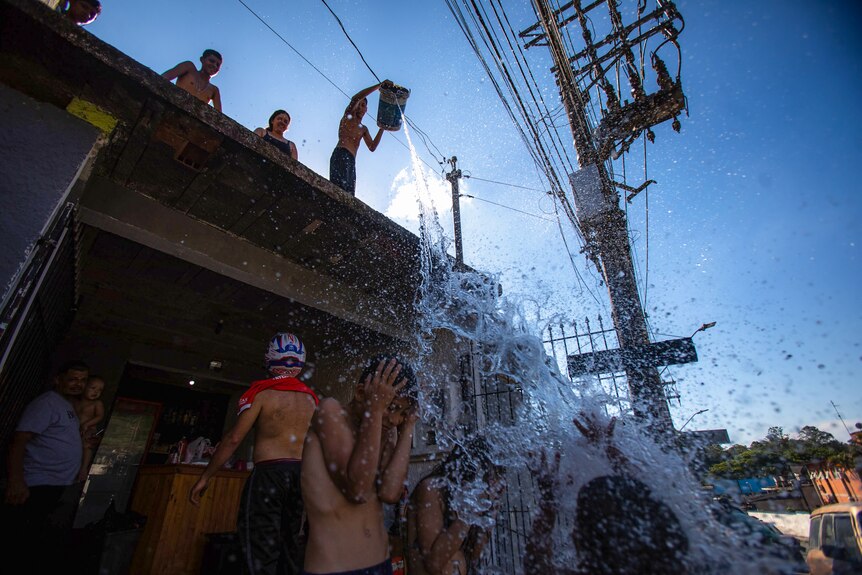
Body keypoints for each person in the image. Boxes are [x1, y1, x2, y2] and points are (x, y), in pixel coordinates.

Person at [190, 332, 318, 575]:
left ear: (270, 359)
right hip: (301, 475)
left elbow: (234, 438)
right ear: (301, 362)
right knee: (290, 546)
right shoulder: (311, 400)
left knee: (259, 548)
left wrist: (206, 476)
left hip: (269, 475)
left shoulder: (261, 393)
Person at [524, 413, 689, 575]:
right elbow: (649, 494)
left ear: (581, 541)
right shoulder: (677, 562)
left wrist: (548, 501)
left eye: (578, 522)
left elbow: (535, 566)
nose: (572, 532)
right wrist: (607, 447)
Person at [301, 355, 420, 575]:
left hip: (381, 564)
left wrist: (408, 428)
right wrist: (376, 410)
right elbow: (358, 490)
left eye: (401, 412)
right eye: (390, 407)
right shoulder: (330, 412)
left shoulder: (384, 431)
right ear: (359, 394)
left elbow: (390, 493)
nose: (394, 419)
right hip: (335, 569)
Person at [0, 360, 89, 571]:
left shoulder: (65, 406)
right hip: (34, 484)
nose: (78, 384)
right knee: (15, 541)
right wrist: (16, 480)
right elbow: (20, 439)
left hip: (52, 484)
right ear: (58, 380)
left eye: (83, 380)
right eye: (73, 379)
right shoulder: (47, 403)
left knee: (32, 540)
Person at [406, 436, 506, 575]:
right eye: (491, 477)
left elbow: (475, 555)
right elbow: (434, 564)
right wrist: (472, 510)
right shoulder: (432, 489)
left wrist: (491, 511)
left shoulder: (468, 498)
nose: (493, 486)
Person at [329, 82, 390, 196]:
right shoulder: (348, 116)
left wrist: (382, 128)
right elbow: (356, 98)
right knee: (337, 191)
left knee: (349, 195)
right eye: (359, 105)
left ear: (366, 109)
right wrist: (379, 86)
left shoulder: (364, 129)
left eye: (363, 105)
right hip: (341, 154)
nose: (360, 108)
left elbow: (372, 147)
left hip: (352, 161)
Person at [75, 375, 105, 482]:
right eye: (93, 388)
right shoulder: (76, 401)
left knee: (86, 446)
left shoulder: (97, 403)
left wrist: (87, 424)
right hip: (75, 429)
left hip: (89, 429)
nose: (96, 392)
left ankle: (83, 468)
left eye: (100, 390)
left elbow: (99, 416)